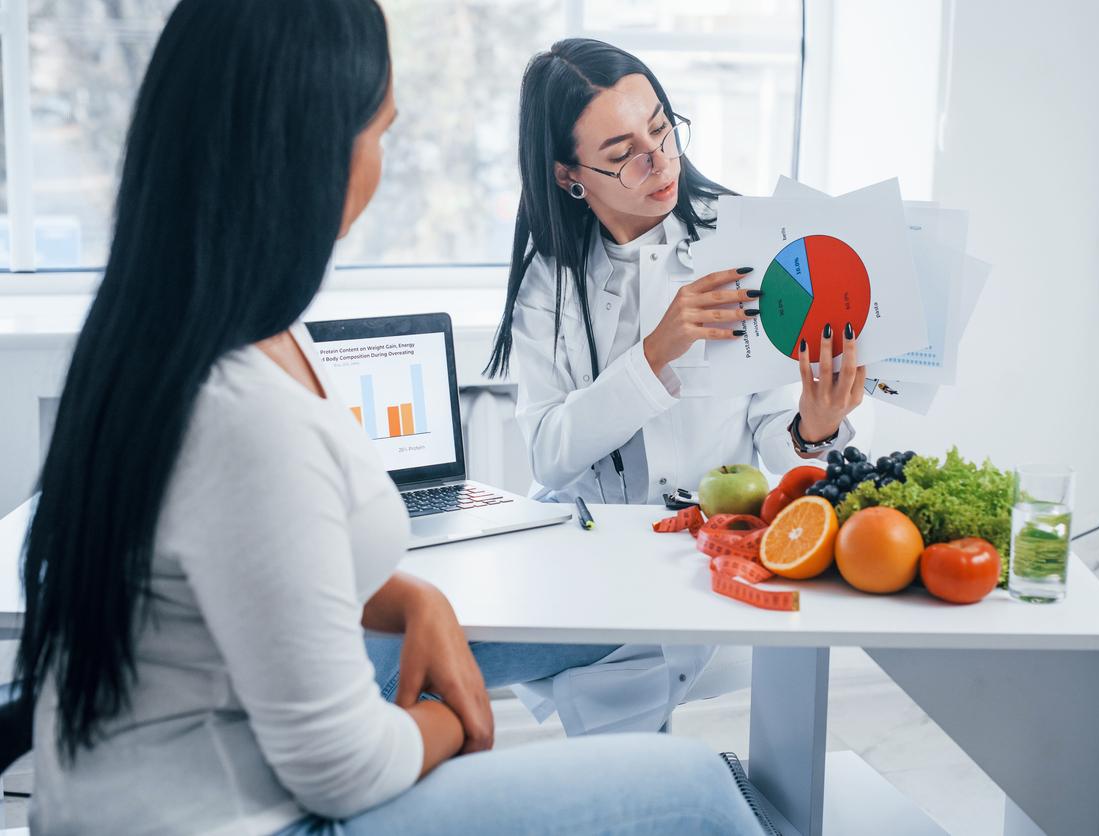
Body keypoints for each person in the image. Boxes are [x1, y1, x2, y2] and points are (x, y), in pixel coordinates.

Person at [12, 3, 767, 834]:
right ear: (304, 158)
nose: (383, 159)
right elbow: (342, 769)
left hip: (185, 769)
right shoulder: (244, 410)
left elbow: (251, 565)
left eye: (660, 132)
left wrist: (406, 595)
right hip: (251, 814)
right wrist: (459, 715)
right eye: (379, 132)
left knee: (603, 650)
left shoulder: (185, 333)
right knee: (695, 790)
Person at [482, 38, 868, 736]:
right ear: (571, 176)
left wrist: (813, 428)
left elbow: (783, 453)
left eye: (661, 128)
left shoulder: (746, 242)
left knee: (628, 757)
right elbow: (549, 453)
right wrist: (657, 350)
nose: (658, 161)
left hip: (704, 556)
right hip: (588, 560)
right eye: (623, 151)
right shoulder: (550, 280)